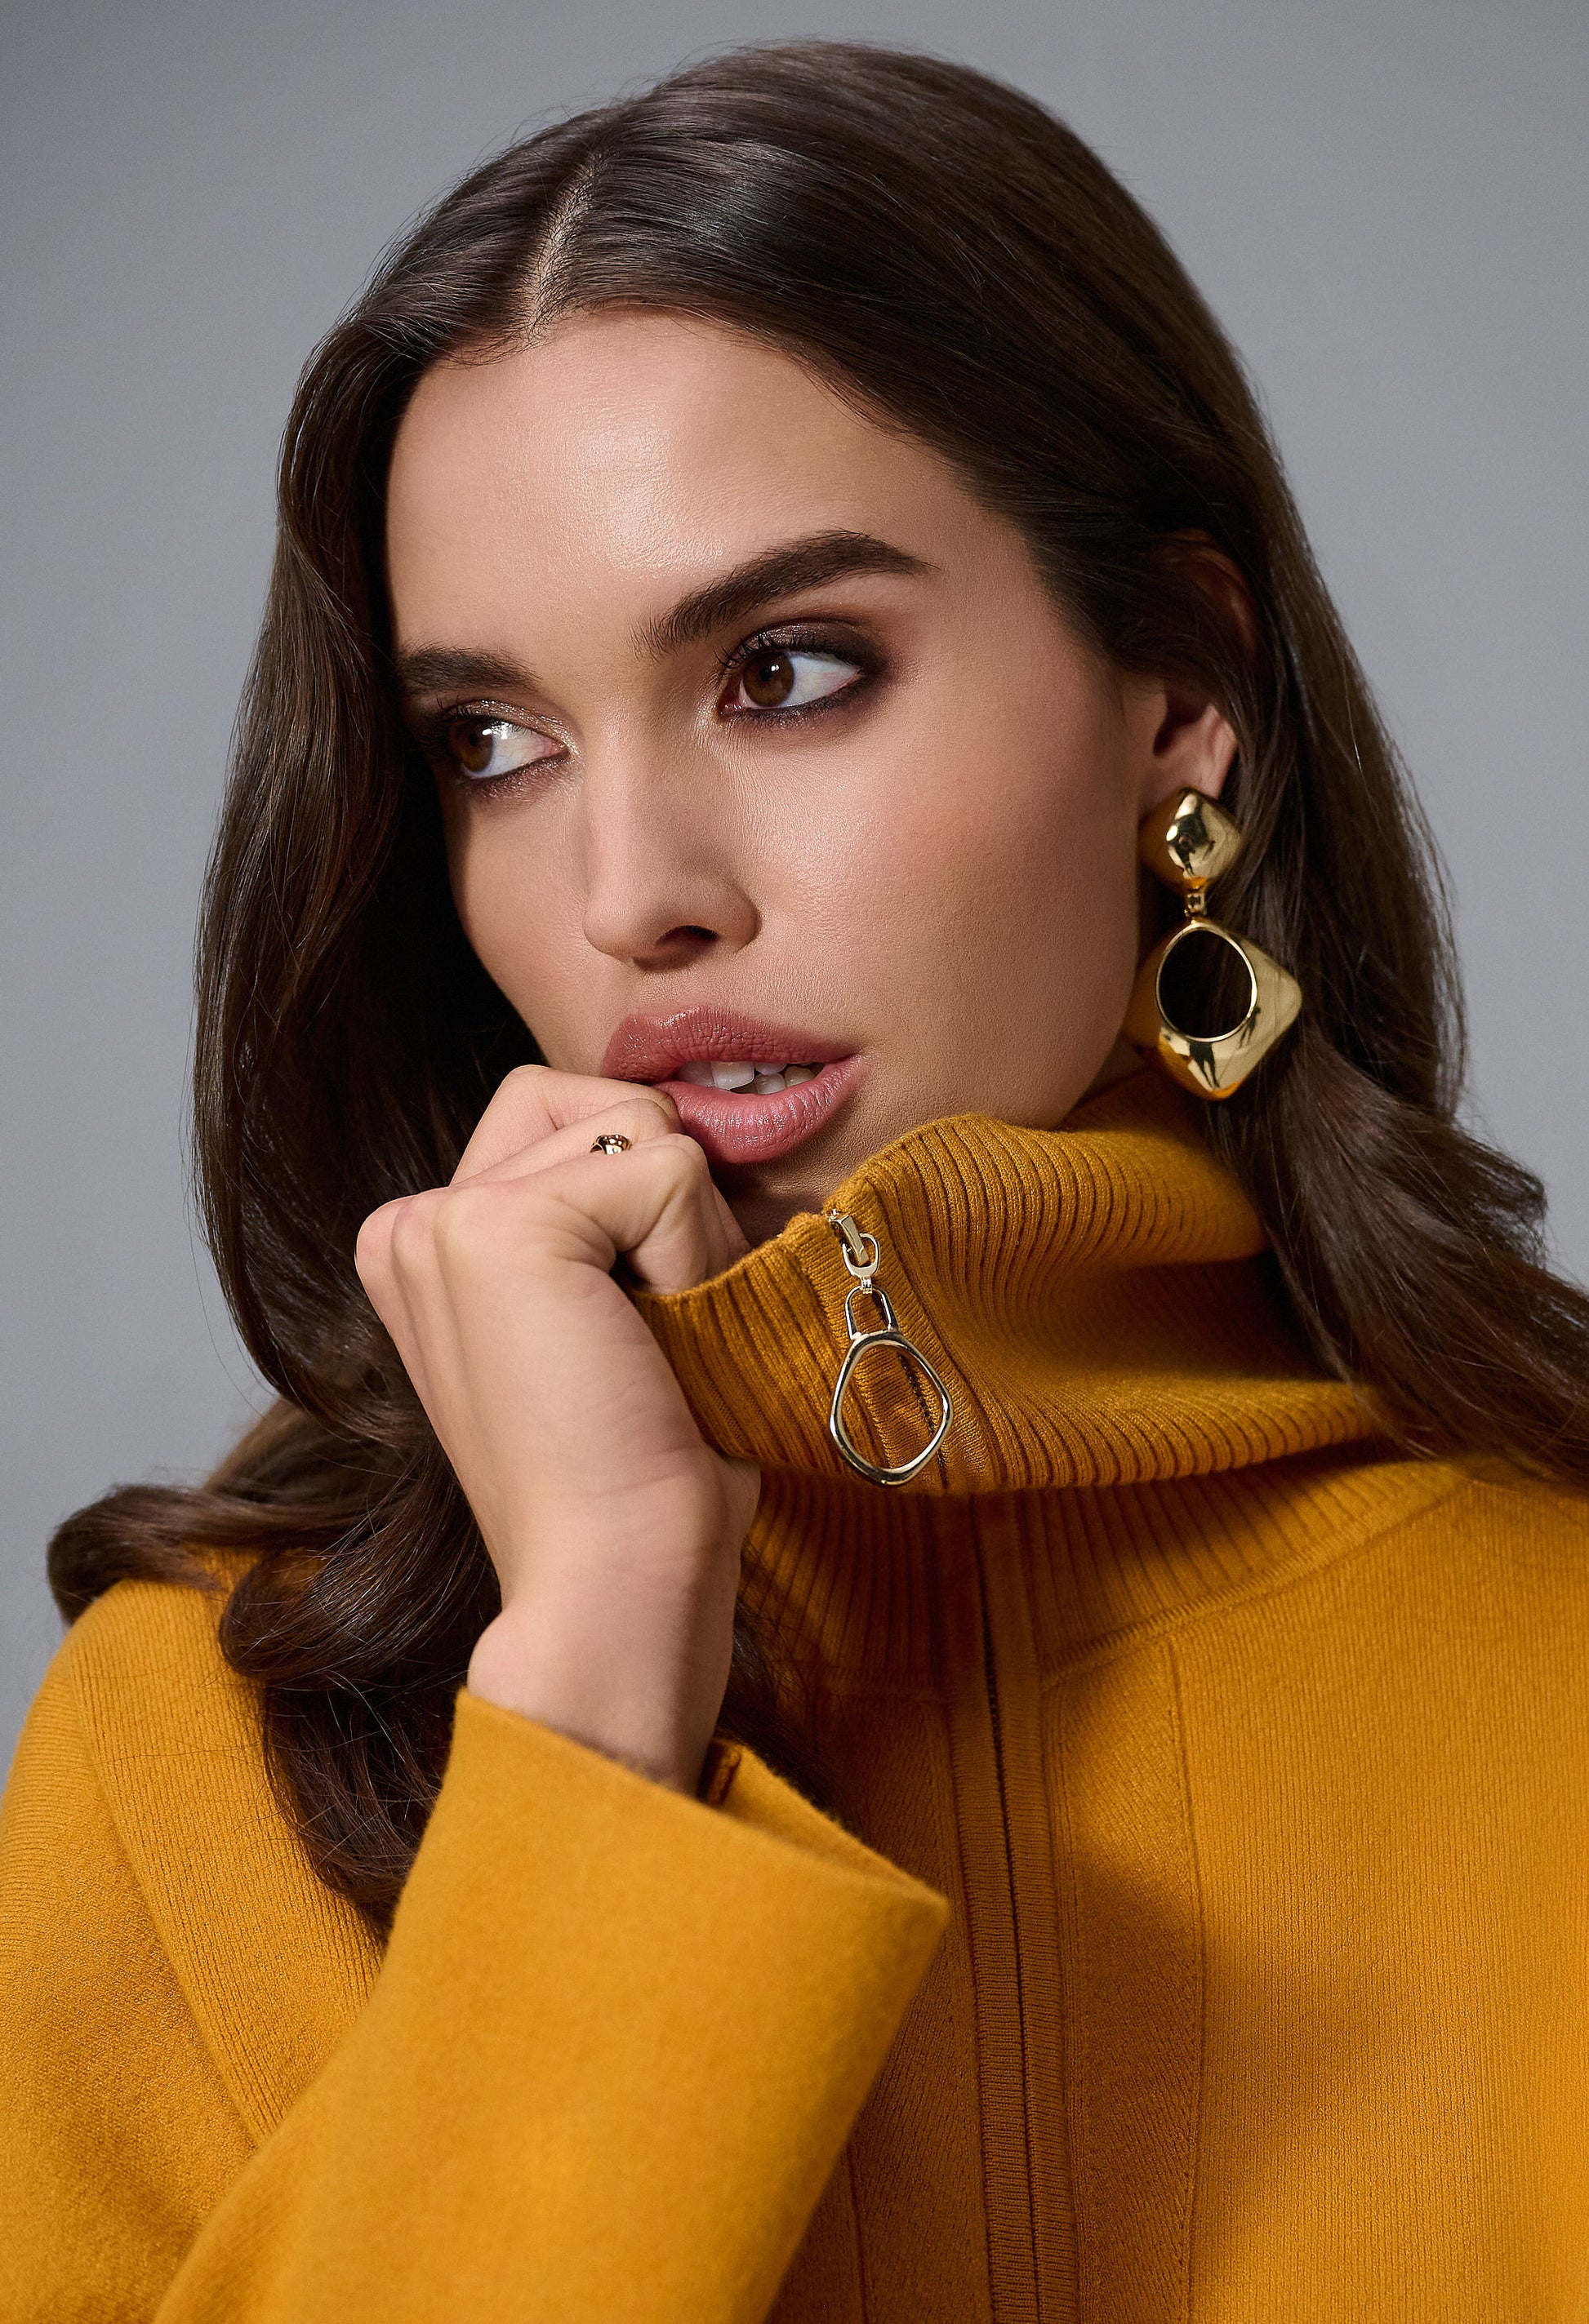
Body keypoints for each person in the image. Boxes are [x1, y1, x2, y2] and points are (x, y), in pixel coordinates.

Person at [3, 38, 1587, 2321]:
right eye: (492, 746)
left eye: (790, 670)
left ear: (1177, 689)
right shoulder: (210, 1725)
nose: (628, 890)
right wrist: (588, 1701)